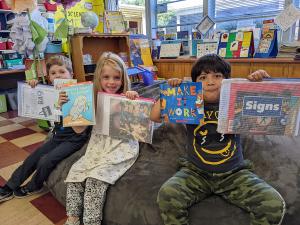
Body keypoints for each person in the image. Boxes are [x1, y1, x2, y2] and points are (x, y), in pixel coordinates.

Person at [150, 54, 286, 225]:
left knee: (273, 203)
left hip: (234, 173)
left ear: (228, 81)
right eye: (203, 77)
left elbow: (271, 104)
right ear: (195, 83)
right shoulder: (188, 101)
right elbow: (154, 116)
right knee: (167, 194)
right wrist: (172, 91)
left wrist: (259, 81)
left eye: (218, 76)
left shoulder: (236, 100)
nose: (211, 82)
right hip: (196, 172)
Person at [0, 56, 92, 202]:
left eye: (62, 71)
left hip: (75, 138)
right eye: (53, 73)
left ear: (71, 75)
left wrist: (67, 107)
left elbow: (80, 129)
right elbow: (49, 118)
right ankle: (8, 187)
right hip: (58, 136)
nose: (58, 76)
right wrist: (33, 87)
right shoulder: (49, 92)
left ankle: (34, 186)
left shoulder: (80, 92)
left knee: (45, 161)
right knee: (32, 158)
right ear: (49, 78)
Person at [64, 52, 139, 225]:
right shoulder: (91, 98)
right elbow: (78, 129)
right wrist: (67, 108)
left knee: (95, 179)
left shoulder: (127, 96)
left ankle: (92, 222)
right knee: (75, 173)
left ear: (123, 79)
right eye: (106, 77)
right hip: (98, 146)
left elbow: (138, 123)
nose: (111, 82)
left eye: (116, 78)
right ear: (99, 77)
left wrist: (133, 99)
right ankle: (73, 219)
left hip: (121, 146)